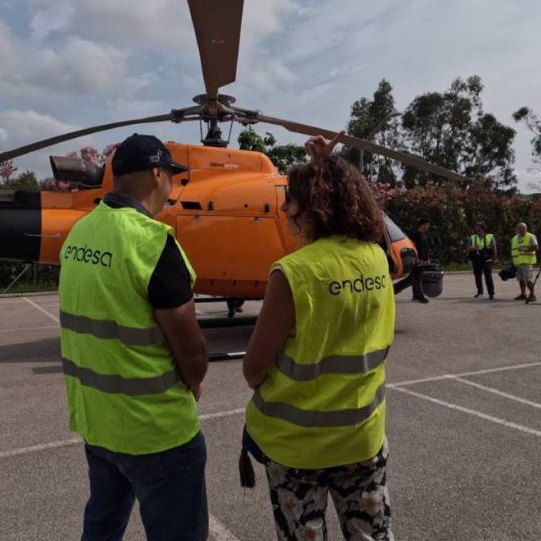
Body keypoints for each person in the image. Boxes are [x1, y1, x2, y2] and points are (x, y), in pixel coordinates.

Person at [241, 133, 396, 541]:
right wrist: (330, 165)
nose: (285, 211)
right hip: (363, 436)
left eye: (289, 201)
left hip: (298, 449)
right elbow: (374, 225)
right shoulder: (378, 258)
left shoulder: (294, 272)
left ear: (311, 208)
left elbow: (254, 368)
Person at [58, 134, 210, 541]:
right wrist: (194, 380)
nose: (172, 187)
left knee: (102, 527)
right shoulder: (153, 243)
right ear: (158, 173)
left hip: (98, 425)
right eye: (172, 178)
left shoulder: (79, 235)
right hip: (156, 432)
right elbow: (192, 353)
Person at [467, 221, 497, 300]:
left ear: (483, 229)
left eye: (480, 228)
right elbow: (468, 248)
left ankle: (491, 293)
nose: (478, 230)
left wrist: (494, 258)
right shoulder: (472, 237)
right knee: (477, 276)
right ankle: (480, 292)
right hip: (476, 259)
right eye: (477, 228)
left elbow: (494, 247)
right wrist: (471, 248)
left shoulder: (490, 237)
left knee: (488, 276)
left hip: (486, 259)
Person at [510, 222, 539, 302]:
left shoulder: (531, 236)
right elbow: (513, 250)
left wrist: (526, 249)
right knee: (520, 279)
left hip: (526, 262)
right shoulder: (514, 238)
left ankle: (532, 294)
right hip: (517, 262)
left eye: (523, 228)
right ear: (516, 229)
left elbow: (536, 247)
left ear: (526, 229)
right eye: (519, 228)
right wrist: (513, 261)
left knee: (528, 280)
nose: (521, 230)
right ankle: (523, 294)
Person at [410, 218, 431, 303]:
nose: (428, 226)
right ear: (423, 225)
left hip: (422, 261)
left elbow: (424, 249)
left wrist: (426, 259)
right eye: (427, 224)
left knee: (416, 278)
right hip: (417, 261)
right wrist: (417, 259)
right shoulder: (415, 235)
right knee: (417, 278)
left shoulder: (423, 235)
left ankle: (416, 295)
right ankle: (420, 296)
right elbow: (412, 248)